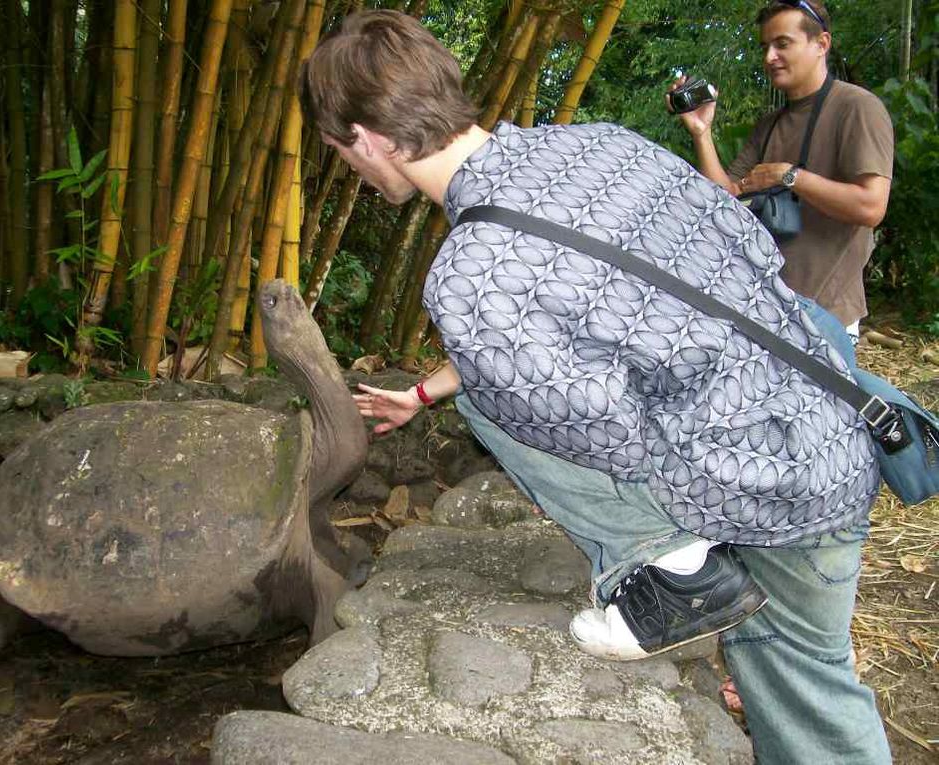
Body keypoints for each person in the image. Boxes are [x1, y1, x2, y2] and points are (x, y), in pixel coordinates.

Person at [300, 9, 891, 763]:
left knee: (490, 393)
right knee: (811, 682)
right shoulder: (602, 143)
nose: (348, 167)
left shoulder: (470, 274)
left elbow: (605, 428)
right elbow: (744, 248)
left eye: (339, 152)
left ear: (368, 138)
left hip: (755, 482)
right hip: (833, 423)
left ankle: (674, 569)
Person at [674, 0, 893, 345]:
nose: (769, 57)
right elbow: (724, 199)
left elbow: (871, 207)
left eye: (783, 44)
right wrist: (702, 132)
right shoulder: (770, 125)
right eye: (765, 47)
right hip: (767, 309)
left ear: (821, 44)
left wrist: (789, 177)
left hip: (825, 316)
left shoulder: (858, 107)